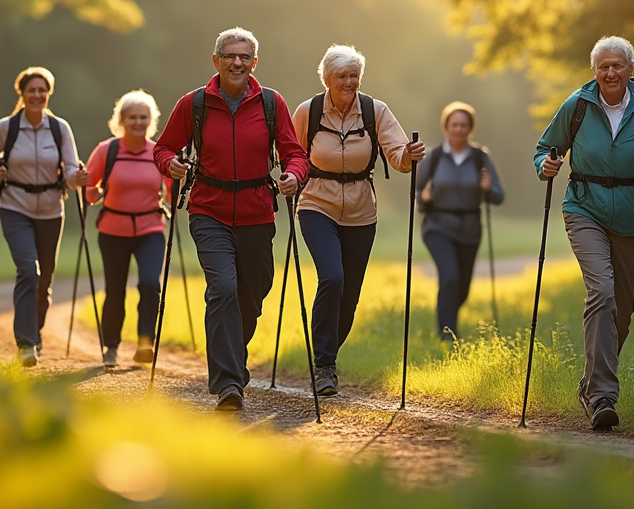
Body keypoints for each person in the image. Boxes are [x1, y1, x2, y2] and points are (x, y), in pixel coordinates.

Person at [535, 36, 634, 431]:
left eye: (617, 65)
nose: (610, 73)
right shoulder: (578, 106)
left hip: (633, 216)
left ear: (630, 70)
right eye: (603, 67)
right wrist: (546, 165)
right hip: (584, 207)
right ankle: (603, 396)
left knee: (621, 307)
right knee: (601, 293)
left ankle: (589, 385)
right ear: (595, 72)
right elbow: (545, 148)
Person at [154, 27, 309, 412]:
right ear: (216, 61)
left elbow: (295, 153)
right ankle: (228, 383)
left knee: (253, 293)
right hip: (209, 209)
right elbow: (163, 148)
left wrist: (294, 175)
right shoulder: (194, 104)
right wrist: (170, 164)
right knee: (222, 287)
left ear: (254, 63)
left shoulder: (272, 104)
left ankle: (232, 355)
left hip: (257, 211)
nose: (236, 63)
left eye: (244, 57)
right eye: (229, 56)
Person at [292, 44, 423, 396]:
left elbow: (396, 154)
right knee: (332, 278)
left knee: (349, 295)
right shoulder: (309, 111)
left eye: (354, 76)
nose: (349, 82)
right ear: (327, 79)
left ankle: (328, 356)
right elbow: (291, 152)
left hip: (362, 212)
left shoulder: (374, 110)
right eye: (342, 77)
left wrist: (408, 156)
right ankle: (324, 366)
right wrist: (291, 176)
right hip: (316, 204)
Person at [0, 67, 88, 367]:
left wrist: (79, 177)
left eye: (42, 90)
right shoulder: (6, 128)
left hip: (51, 209)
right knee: (28, 269)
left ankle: (34, 331)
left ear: (48, 94)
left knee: (44, 278)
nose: (37, 95)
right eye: (32, 90)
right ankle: (25, 342)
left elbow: (69, 171)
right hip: (15, 207)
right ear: (22, 94)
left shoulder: (59, 128)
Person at [85, 90, 172, 368]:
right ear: (121, 120)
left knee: (149, 283)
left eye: (143, 117)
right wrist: (86, 186)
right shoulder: (106, 150)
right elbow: (89, 189)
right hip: (113, 230)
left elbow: (172, 194)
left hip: (150, 229)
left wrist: (185, 188)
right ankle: (111, 346)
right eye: (132, 117)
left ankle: (146, 341)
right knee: (115, 290)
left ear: (151, 120)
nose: (138, 122)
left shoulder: (158, 153)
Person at [417, 101, 505, 343]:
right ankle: (447, 336)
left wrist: (488, 190)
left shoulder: (480, 158)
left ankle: (447, 322)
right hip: (437, 226)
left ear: (470, 128)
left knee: (462, 288)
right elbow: (415, 193)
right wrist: (423, 198)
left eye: (463, 125)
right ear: (446, 127)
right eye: (454, 125)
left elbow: (498, 196)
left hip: (469, 228)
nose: (459, 129)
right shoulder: (434, 157)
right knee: (450, 278)